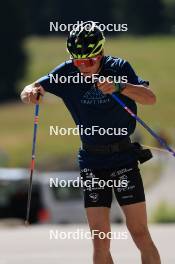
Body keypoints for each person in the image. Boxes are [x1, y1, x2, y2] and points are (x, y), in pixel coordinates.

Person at [21, 21, 161, 264]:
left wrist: (120, 87)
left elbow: (150, 98)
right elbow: (29, 89)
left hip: (123, 158)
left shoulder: (119, 67)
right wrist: (31, 93)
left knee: (139, 232)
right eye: (78, 61)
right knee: (99, 238)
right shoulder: (67, 72)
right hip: (92, 161)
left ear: (101, 53)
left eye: (88, 61)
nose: (82, 67)